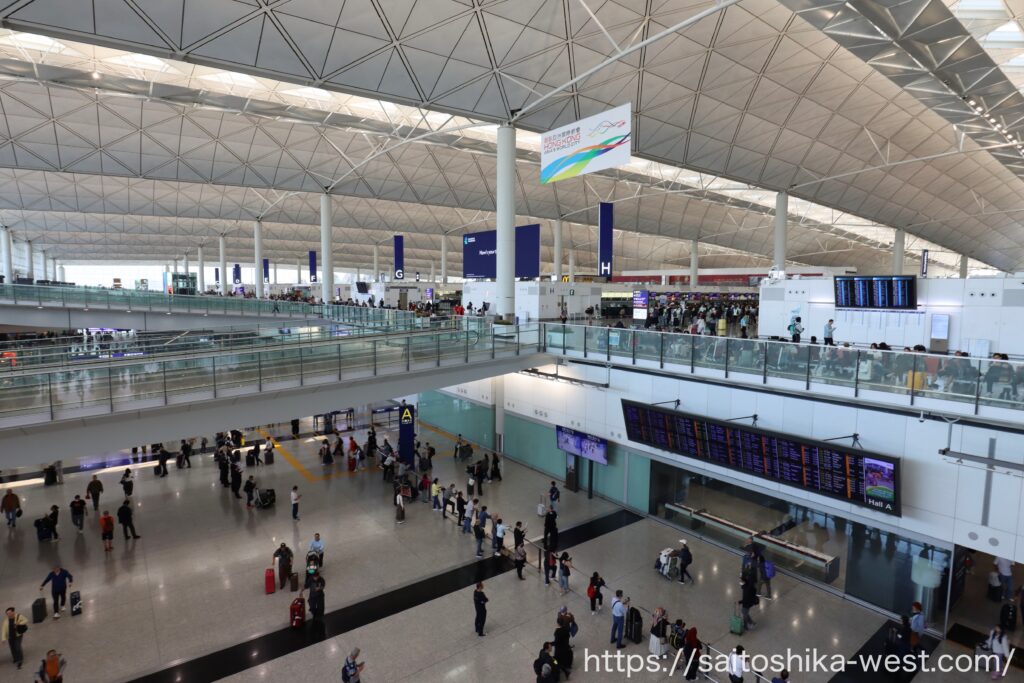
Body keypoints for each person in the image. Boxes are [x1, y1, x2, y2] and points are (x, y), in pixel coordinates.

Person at [553, 613, 573, 678]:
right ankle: (566, 669)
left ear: (558, 623)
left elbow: (556, 642)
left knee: (555, 660)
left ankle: (562, 669)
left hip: (559, 649)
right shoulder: (566, 629)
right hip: (565, 646)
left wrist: (551, 644)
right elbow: (568, 636)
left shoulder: (557, 632)